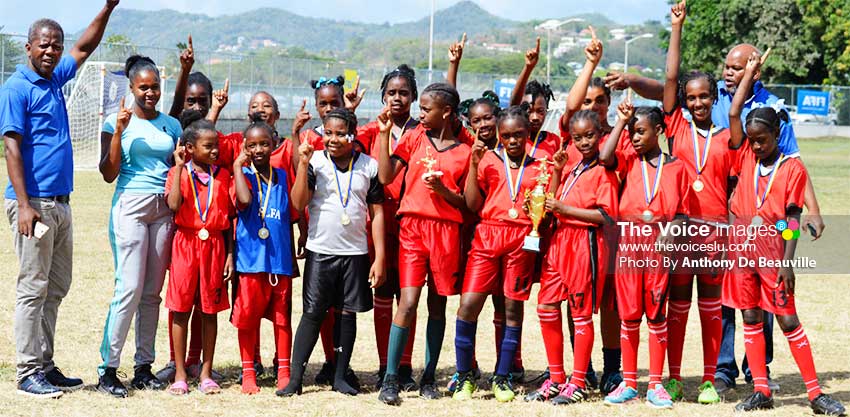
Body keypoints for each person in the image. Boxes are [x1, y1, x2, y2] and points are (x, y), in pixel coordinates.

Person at [0, 1, 117, 398]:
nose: (51, 51)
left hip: (61, 204)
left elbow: (85, 46)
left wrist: (108, 7)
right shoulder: (17, 88)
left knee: (56, 286)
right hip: (32, 203)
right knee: (32, 287)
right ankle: (26, 371)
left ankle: (45, 365)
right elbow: (11, 148)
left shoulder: (54, 79)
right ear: (29, 47)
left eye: (56, 45)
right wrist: (25, 204)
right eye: (44, 45)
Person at [723, 54, 844, 415]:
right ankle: (761, 390)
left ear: (777, 135)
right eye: (753, 140)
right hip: (741, 252)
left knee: (787, 318)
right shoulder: (745, 156)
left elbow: (790, 219)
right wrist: (747, 75)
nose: (757, 146)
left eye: (763, 140)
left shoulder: (792, 169)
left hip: (774, 254)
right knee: (750, 317)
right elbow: (733, 113)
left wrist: (787, 263)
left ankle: (814, 394)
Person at [279, 108, 386, 396]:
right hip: (321, 250)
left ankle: (340, 375)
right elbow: (299, 203)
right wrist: (301, 165)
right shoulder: (314, 161)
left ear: (353, 135)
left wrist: (379, 257)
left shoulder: (369, 166)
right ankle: (295, 378)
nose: (333, 139)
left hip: (355, 253)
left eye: (340, 134)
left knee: (347, 314)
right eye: (328, 133)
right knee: (313, 313)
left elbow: (377, 214)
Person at [377, 83, 471, 405]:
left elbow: (466, 203)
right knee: (408, 301)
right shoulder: (415, 137)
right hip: (413, 227)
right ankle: (390, 378)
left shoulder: (464, 152)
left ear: (445, 111)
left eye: (427, 108)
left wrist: (443, 190)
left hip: (446, 232)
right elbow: (387, 177)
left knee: (438, 304)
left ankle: (428, 376)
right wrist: (382, 134)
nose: (421, 112)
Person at [96, 55, 183, 397]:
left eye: (155, 87)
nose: (150, 93)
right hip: (130, 207)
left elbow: (177, 166)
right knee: (128, 289)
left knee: (151, 293)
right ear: (131, 87)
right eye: (143, 87)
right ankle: (108, 369)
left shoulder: (170, 125)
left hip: (163, 211)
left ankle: (144, 367)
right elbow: (108, 173)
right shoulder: (114, 120)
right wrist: (118, 130)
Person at [658, 2, 730, 403]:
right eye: (691, 97)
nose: (698, 103)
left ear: (714, 98)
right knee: (678, 304)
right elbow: (670, 76)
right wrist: (676, 28)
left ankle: (708, 379)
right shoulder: (676, 126)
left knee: (711, 307)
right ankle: (673, 377)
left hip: (716, 233)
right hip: (682, 231)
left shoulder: (727, 138)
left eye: (704, 97)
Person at [452, 105, 545, 403]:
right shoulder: (489, 160)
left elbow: (546, 207)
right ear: (500, 137)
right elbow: (471, 203)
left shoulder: (540, 165)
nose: (513, 140)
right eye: (507, 136)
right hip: (488, 234)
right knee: (468, 306)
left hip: (522, 239)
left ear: (528, 134)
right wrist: (474, 166)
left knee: (511, 310)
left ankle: (502, 377)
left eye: (519, 134)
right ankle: (465, 375)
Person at [525, 110, 618, 405]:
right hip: (559, 241)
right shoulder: (571, 164)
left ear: (600, 133)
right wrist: (556, 173)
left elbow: (606, 215)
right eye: (577, 138)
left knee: (580, 313)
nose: (584, 142)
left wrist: (566, 210)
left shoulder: (604, 170)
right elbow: (551, 205)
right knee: (546, 307)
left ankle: (578, 381)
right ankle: (555, 377)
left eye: (589, 135)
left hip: (585, 242)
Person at [599, 101, 688, 409]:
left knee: (656, 312)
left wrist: (670, 231)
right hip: (629, 242)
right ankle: (629, 382)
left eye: (640, 132)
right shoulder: (626, 160)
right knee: (629, 314)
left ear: (659, 131)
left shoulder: (676, 167)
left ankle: (656, 384)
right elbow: (604, 156)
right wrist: (621, 123)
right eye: (632, 132)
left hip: (658, 245)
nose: (635, 138)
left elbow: (683, 214)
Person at [557, 28, 627, 394]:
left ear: (609, 103)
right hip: (575, 238)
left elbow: (609, 161)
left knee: (610, 303)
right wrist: (590, 63)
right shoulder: (575, 135)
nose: (592, 105)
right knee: (576, 302)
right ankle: (579, 370)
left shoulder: (621, 134)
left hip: (612, 231)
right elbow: (571, 108)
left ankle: (612, 368)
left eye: (599, 100)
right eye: (588, 99)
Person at [356, 65, 421, 391]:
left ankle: (404, 364)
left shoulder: (422, 130)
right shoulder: (370, 131)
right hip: (378, 223)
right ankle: (385, 364)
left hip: (412, 225)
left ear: (414, 97)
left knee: (407, 299)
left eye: (404, 93)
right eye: (392, 93)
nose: (397, 98)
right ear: (383, 96)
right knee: (382, 291)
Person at [164, 113, 235, 395]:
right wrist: (180, 168)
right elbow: (173, 205)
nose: (215, 150)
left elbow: (230, 220)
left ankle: (206, 372)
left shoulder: (224, 176)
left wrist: (229, 254)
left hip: (215, 246)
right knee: (180, 310)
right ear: (190, 148)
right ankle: (180, 372)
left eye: (216, 144)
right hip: (186, 244)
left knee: (209, 311)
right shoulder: (176, 173)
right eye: (208, 146)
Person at [231, 115, 295, 394]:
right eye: (253, 145)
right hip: (251, 260)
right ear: (245, 147)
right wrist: (236, 165)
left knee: (282, 319)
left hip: (279, 260)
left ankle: (284, 370)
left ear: (274, 145)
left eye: (264, 144)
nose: (258, 150)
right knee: (247, 317)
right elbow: (244, 202)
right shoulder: (242, 176)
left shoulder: (282, 176)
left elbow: (292, 211)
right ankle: (248, 373)